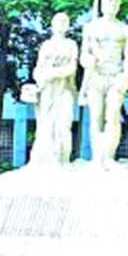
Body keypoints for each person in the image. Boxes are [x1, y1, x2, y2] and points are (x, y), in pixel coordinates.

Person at [80, 0, 128, 166]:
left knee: (112, 115)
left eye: (116, 1)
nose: (113, 4)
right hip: (95, 76)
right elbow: (83, 55)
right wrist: (88, 59)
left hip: (116, 76)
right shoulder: (90, 28)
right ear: (102, 2)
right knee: (95, 115)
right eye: (109, 0)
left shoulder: (125, 30)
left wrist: (126, 77)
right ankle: (97, 157)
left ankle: (109, 157)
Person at [29, 12, 78, 165]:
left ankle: (63, 158)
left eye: (65, 21)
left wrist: (55, 73)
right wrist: (40, 78)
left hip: (64, 88)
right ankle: (46, 158)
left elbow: (72, 67)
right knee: (47, 123)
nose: (62, 23)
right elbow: (38, 68)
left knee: (64, 122)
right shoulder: (47, 45)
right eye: (59, 21)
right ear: (52, 24)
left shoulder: (71, 44)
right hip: (48, 89)